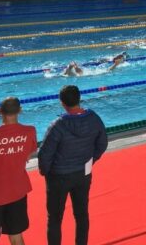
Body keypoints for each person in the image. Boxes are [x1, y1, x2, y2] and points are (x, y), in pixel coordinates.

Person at [38, 85, 107, 245]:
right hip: (83, 173)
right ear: (79, 98)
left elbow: (45, 154)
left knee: (55, 219)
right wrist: (90, 161)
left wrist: (46, 172)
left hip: (59, 177)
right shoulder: (93, 118)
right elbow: (102, 143)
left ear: (62, 103)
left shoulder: (58, 125)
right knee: (81, 214)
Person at [0, 97, 38, 245]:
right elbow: (29, 152)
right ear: (20, 111)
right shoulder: (30, 131)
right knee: (16, 235)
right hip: (17, 191)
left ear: (0, 112)